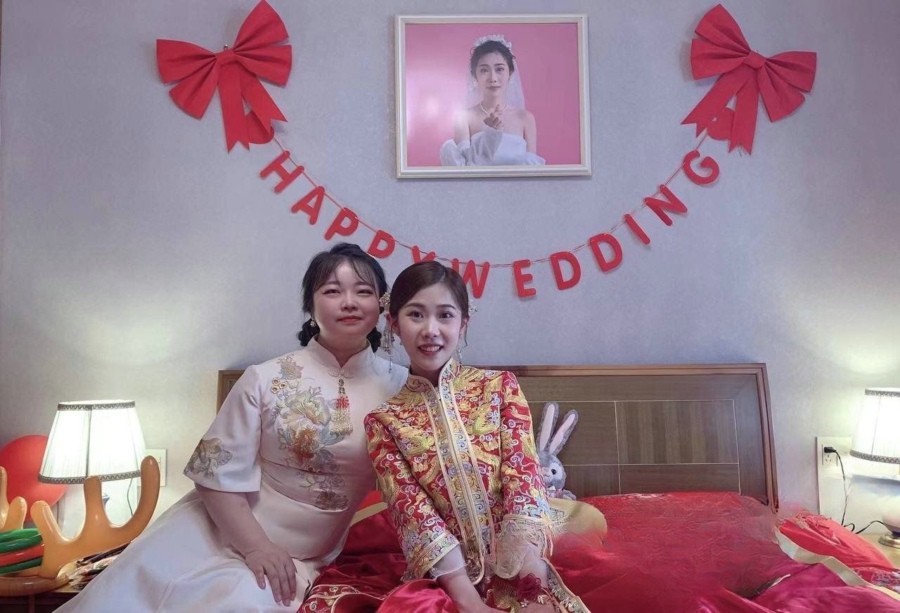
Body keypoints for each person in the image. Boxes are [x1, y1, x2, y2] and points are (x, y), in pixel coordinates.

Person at [59, 243, 408, 612]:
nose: (349, 302)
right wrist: (257, 547)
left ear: (382, 304)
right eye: (332, 291)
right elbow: (214, 476)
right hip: (222, 532)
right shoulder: (265, 379)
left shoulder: (402, 388)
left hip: (304, 555)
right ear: (310, 305)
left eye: (363, 291)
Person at [363, 261, 589, 612]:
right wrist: (471, 604)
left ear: (463, 323)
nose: (430, 330)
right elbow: (418, 518)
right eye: (416, 315)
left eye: (445, 315)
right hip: (447, 582)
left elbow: (523, 482)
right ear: (394, 324)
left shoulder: (499, 388)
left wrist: (532, 586)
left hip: (526, 564)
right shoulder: (384, 422)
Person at [440, 35, 546, 167]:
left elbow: (532, 171)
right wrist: (490, 135)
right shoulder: (464, 118)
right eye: (484, 70)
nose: (493, 78)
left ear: (510, 72)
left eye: (499, 69)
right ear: (475, 75)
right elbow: (464, 168)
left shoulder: (525, 118)